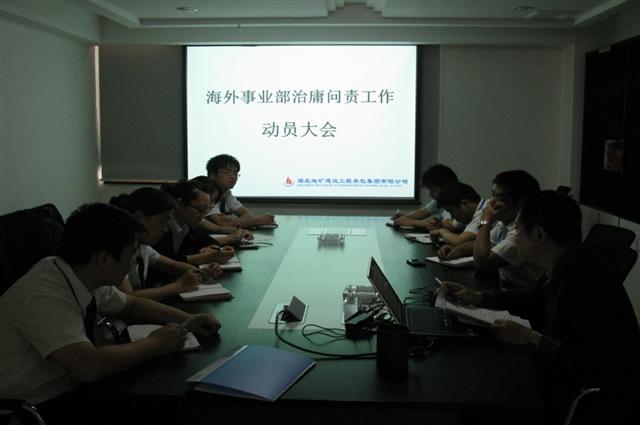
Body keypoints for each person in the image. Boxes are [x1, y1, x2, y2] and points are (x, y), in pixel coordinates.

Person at [438, 191, 640, 420]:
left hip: (586, 400)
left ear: (539, 235)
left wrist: (532, 339)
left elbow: (594, 365)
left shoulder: (584, 278)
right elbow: (535, 299)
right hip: (561, 379)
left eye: (517, 232)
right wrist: (479, 297)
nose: (514, 238)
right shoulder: (567, 261)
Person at [0, 203, 221, 408]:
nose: (132, 261)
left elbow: (131, 305)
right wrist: (156, 344)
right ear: (104, 259)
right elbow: (89, 366)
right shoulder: (43, 293)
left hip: (69, 387)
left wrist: (186, 319)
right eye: (131, 253)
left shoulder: (80, 271)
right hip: (32, 408)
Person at [110, 188, 223, 301]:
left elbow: (173, 266)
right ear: (140, 217)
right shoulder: (115, 249)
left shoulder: (143, 247)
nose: (165, 229)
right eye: (162, 222)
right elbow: (127, 299)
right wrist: (179, 286)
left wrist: (201, 273)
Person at [471, 170, 544, 288]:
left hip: (525, 294)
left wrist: (486, 222)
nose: (491, 203)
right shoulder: (503, 224)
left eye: (500, 198)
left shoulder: (521, 234)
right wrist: (458, 249)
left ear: (521, 203)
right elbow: (484, 246)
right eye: (493, 195)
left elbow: (481, 263)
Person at [156, 180, 235, 266]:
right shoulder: (161, 227)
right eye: (200, 209)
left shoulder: (185, 226)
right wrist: (207, 257)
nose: (203, 215)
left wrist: (214, 249)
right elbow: (167, 261)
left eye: (206, 210)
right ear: (179, 204)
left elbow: (209, 241)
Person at [205, 154, 276, 228]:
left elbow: (248, 215)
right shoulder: (206, 194)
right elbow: (222, 225)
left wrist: (232, 222)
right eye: (227, 172)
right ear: (212, 175)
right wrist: (258, 221)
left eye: (235, 173)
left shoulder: (226, 193)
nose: (233, 177)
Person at [392, 164, 460, 232]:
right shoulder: (438, 200)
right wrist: (405, 217)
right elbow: (423, 212)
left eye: (434, 191)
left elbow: (450, 224)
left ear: (447, 188)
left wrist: (412, 222)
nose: (430, 194)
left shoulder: (455, 200)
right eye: (429, 190)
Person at [190, 175, 253, 245]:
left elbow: (217, 228)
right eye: (209, 201)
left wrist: (241, 232)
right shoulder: (186, 220)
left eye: (214, 202)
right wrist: (229, 239)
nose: (212, 206)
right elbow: (195, 243)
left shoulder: (197, 218)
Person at [430, 182, 486, 248]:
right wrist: (440, 224)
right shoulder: (470, 212)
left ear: (465, 203)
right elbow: (452, 224)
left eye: (452, 211)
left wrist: (441, 231)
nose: (452, 216)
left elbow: (458, 241)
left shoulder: (484, 214)